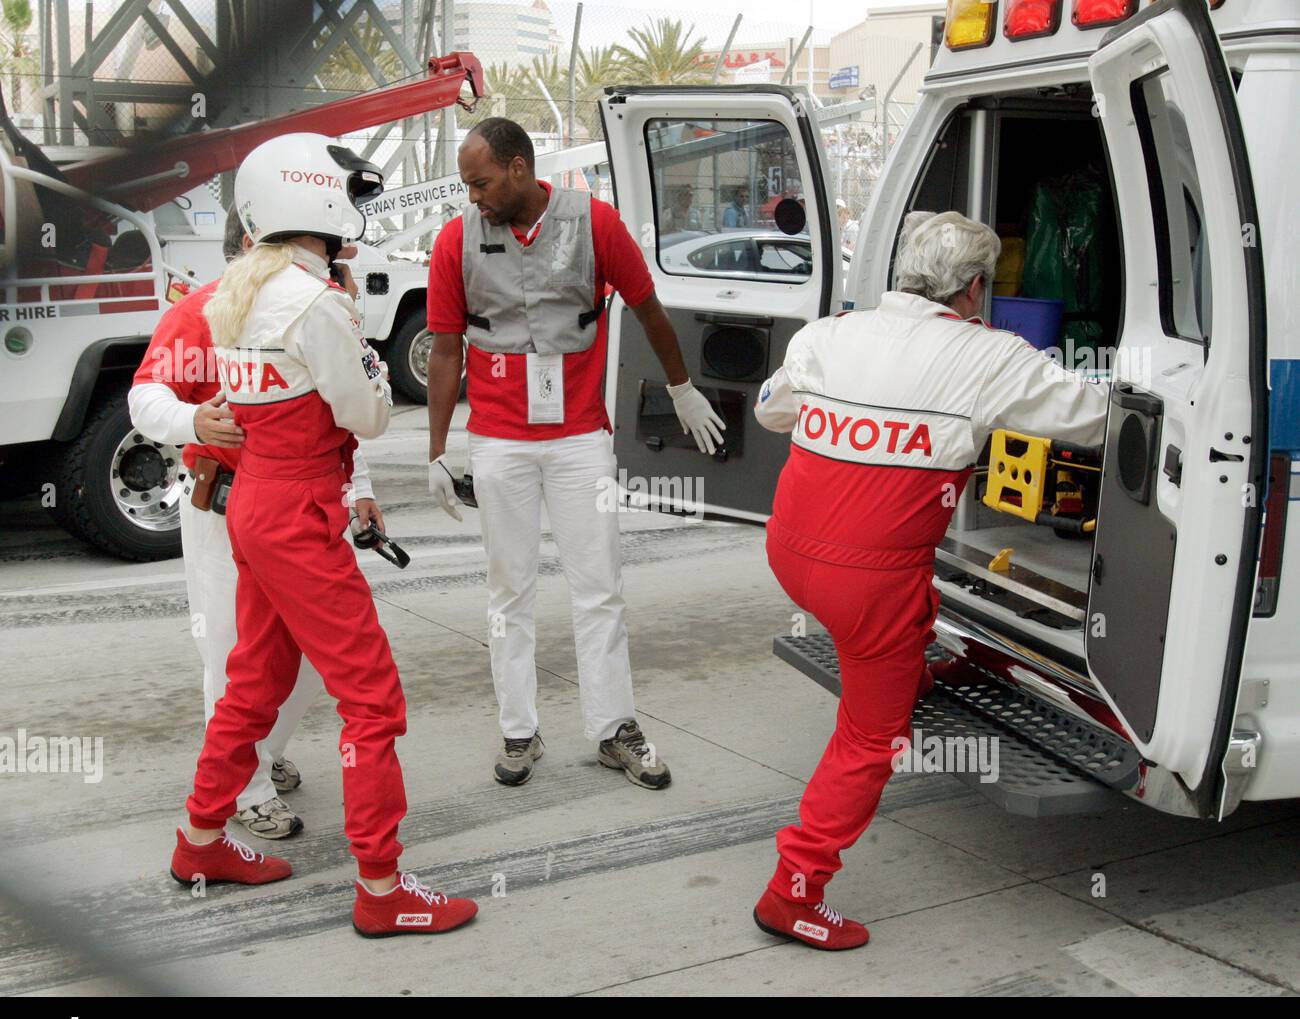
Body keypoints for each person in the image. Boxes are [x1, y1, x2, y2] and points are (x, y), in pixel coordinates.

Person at [750, 211, 1110, 950]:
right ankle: (794, 889)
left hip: (790, 554)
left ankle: (908, 669)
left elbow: (770, 410)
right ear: (976, 288)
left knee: (913, 599)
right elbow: (1095, 420)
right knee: (870, 736)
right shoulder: (990, 356)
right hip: (868, 583)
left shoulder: (830, 334)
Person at [168, 132, 477, 938]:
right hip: (301, 512)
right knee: (372, 700)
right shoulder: (316, 301)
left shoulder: (234, 292)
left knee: (252, 685)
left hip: (254, 508)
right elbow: (368, 414)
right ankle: (381, 886)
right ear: (317, 198)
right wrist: (368, 358)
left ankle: (199, 840)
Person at [424, 117, 724, 788]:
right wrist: (439, 450)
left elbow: (649, 309)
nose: (473, 196)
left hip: (580, 439)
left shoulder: (595, 224)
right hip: (500, 442)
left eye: (481, 182)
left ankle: (614, 727)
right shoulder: (456, 241)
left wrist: (681, 389)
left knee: (599, 588)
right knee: (510, 593)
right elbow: (446, 348)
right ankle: (518, 731)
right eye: (467, 185)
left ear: (521, 170)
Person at [129, 206, 384, 841]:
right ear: (252, 242)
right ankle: (248, 787)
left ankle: (258, 756)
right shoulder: (205, 310)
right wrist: (194, 423)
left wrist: (360, 487)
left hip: (297, 503)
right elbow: (145, 396)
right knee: (231, 653)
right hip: (227, 506)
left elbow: (338, 409)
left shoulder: (312, 304)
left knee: (288, 659)